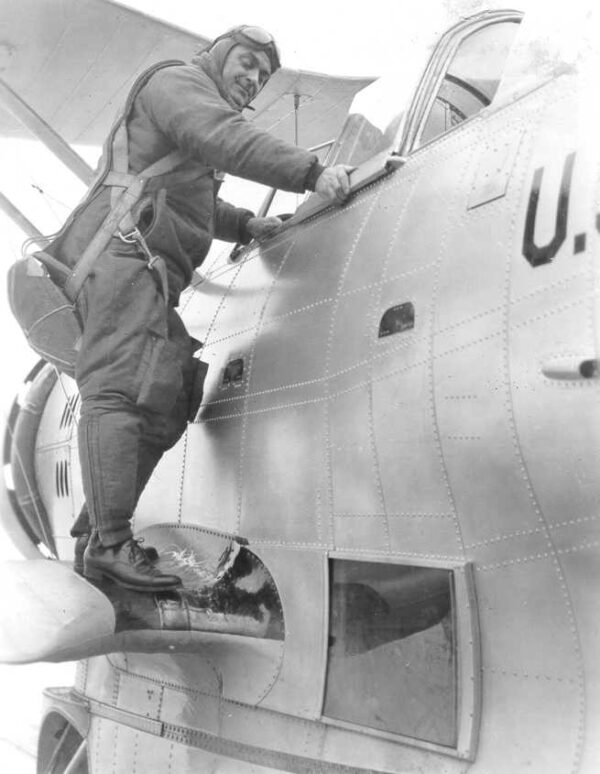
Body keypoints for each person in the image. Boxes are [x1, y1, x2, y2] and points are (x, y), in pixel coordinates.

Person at [49, 25, 354, 592]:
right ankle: (111, 545)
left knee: (169, 397)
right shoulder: (176, 84)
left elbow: (194, 202)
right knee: (119, 390)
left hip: (149, 276)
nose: (252, 79)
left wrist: (244, 224)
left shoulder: (194, 112)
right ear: (215, 56)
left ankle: (98, 533)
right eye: (245, 63)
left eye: (262, 76)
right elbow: (224, 139)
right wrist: (310, 174)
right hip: (119, 260)